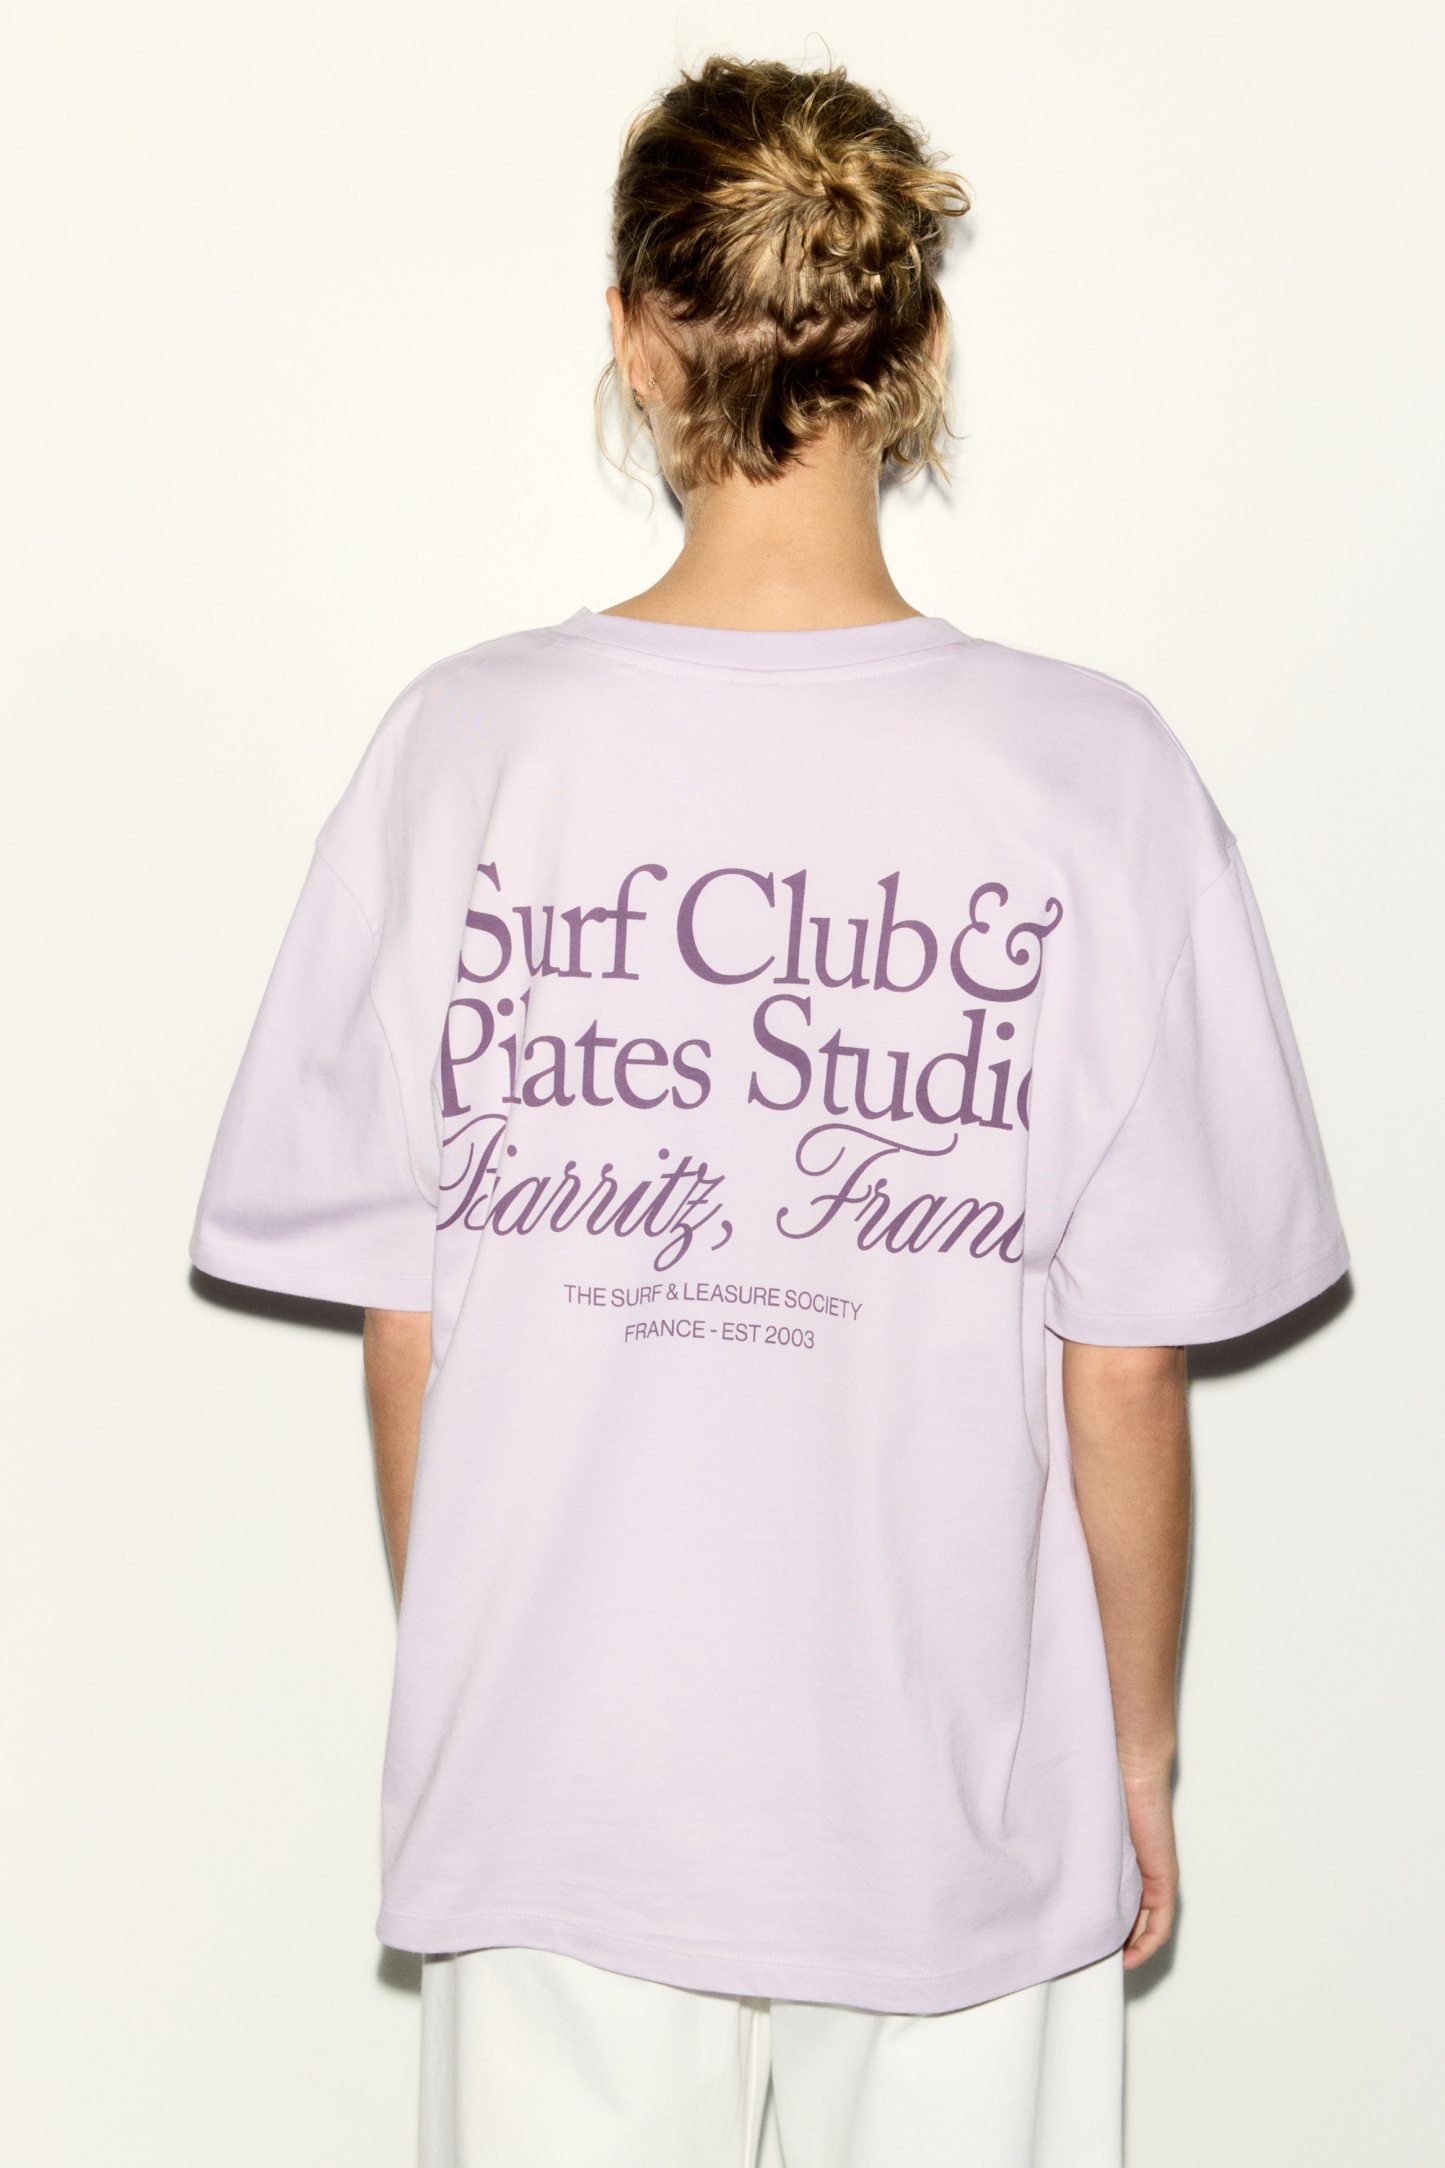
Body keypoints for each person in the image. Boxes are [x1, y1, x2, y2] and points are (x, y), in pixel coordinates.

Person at [190, 53, 1350, 2168]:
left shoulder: (464, 755)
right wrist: (1138, 1751)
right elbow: (1124, 1363)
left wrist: (489, 1689)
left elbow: (409, 1318)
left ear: (636, 338)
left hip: (561, 1781)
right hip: (948, 1785)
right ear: (914, 347)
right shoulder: (1092, 777)